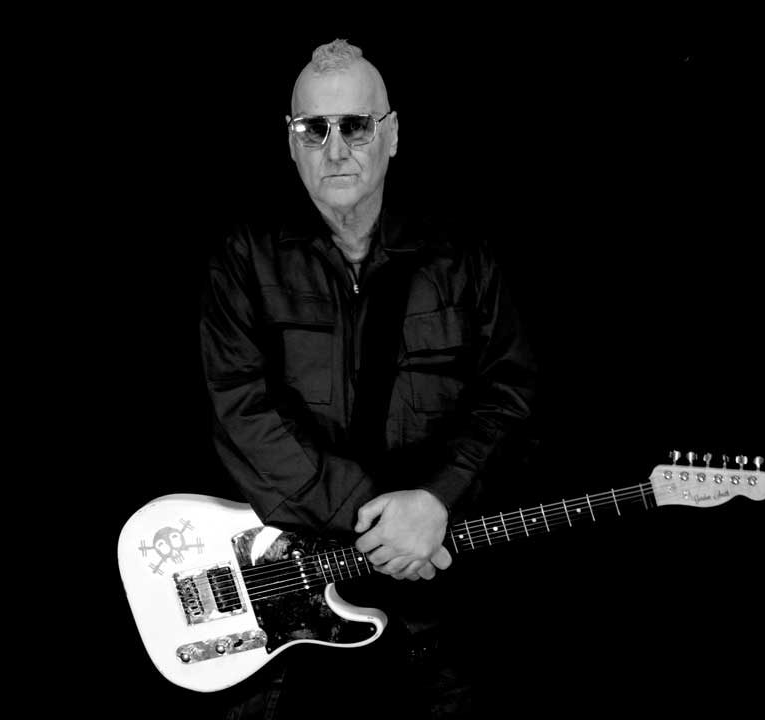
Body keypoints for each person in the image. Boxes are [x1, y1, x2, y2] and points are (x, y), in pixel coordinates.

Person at [198, 38, 536, 718]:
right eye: (312, 129)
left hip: (440, 615)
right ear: (290, 143)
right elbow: (241, 411)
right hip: (286, 608)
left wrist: (436, 502)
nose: (335, 147)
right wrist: (385, 521)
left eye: (355, 125)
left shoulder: (463, 256)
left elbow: (511, 396)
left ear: (392, 134)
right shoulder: (245, 256)